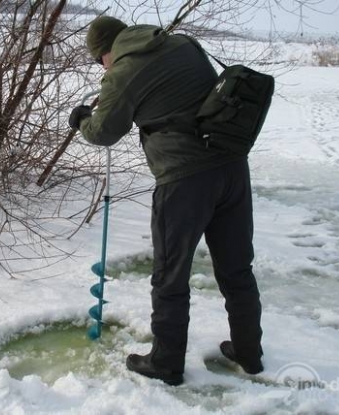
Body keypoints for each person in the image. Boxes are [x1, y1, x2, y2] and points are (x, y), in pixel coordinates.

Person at [68, 16, 263, 386]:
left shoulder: (123, 72)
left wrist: (82, 120)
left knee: (170, 274)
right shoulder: (181, 43)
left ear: (106, 51)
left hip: (184, 179)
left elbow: (104, 132)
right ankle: (249, 353)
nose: (102, 67)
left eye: (99, 60)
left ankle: (166, 362)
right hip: (232, 168)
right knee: (237, 268)